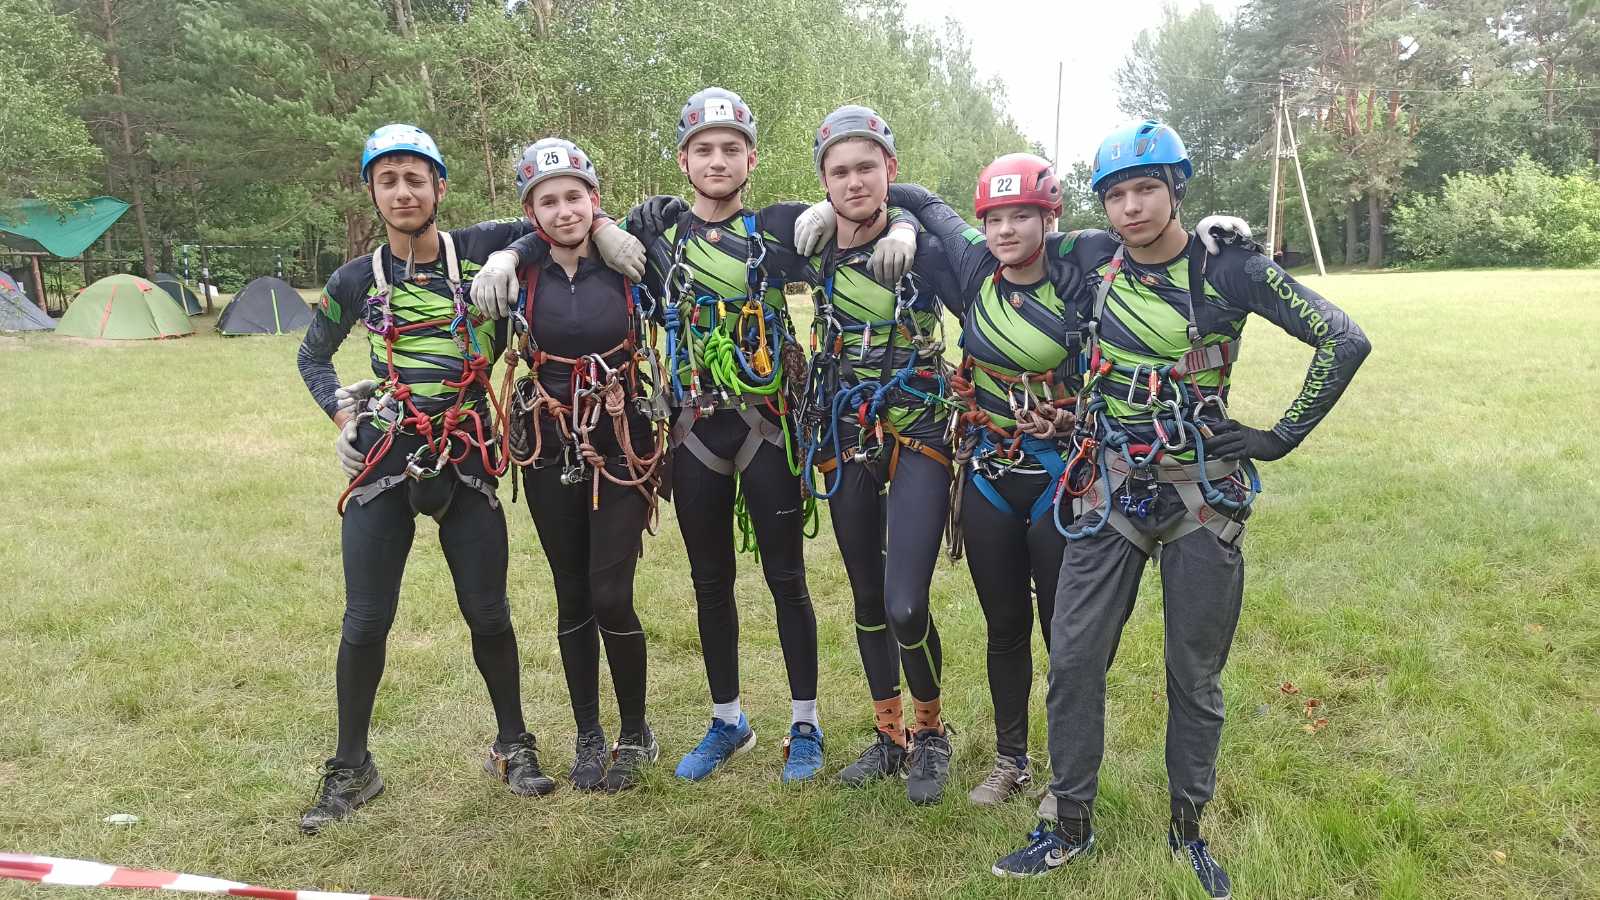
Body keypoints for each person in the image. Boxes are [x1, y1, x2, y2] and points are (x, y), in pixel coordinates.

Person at [475, 88, 917, 784]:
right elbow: (560, 222)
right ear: (683, 160)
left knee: (786, 578)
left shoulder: (781, 227)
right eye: (703, 150)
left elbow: (876, 203)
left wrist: (905, 228)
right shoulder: (657, 233)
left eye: (731, 149)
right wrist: (526, 250)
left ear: (752, 159)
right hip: (691, 429)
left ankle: (805, 722)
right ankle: (728, 720)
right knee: (709, 580)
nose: (717, 161)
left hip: (766, 425)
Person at [986, 121, 1370, 897]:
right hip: (1110, 488)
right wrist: (883, 219)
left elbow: (1343, 338)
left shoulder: (1229, 268)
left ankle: (1188, 828)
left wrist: (1278, 437)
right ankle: (1068, 824)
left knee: (1194, 675)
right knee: (1073, 661)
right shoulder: (1090, 256)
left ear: (1177, 190)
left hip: (1201, 496)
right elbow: (988, 236)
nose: (1131, 207)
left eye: (1146, 190)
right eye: (1116, 194)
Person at [802, 156, 1248, 809]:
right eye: (996, 218)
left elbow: (1152, 239)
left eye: (1023, 216)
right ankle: (1011, 760)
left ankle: (1068, 777)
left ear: (1050, 217)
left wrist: (1212, 233)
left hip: (1062, 477)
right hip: (989, 474)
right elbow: (920, 200)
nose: (1007, 230)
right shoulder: (973, 263)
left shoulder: (1085, 260)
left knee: (1066, 636)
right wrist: (863, 213)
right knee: (1004, 625)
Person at [295, 124, 643, 832]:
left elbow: (556, 215)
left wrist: (603, 231)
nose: (403, 193)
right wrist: (343, 415)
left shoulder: (484, 247)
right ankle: (351, 766)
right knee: (366, 619)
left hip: (469, 452)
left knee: (488, 612)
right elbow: (313, 355)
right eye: (388, 181)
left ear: (439, 188)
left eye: (415, 180)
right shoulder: (353, 280)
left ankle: (514, 745)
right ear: (371, 193)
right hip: (388, 452)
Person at [791, 105, 963, 804]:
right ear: (823, 181)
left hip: (919, 430)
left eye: (867, 167)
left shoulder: (928, 251)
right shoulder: (810, 243)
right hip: (845, 434)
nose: (854, 181)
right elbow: (710, 227)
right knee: (866, 595)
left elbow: (991, 262)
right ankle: (889, 734)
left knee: (904, 603)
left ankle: (932, 731)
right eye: (839, 171)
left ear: (890, 168)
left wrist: (909, 222)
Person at [496, 137, 668, 793]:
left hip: (620, 442)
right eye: (549, 202)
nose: (564, 210)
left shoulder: (629, 261)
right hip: (548, 446)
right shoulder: (524, 271)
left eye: (576, 197)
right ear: (531, 212)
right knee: (571, 595)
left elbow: (674, 212)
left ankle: (636, 732)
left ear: (595, 199)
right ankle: (589, 734)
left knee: (610, 594)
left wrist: (607, 229)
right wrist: (511, 253)